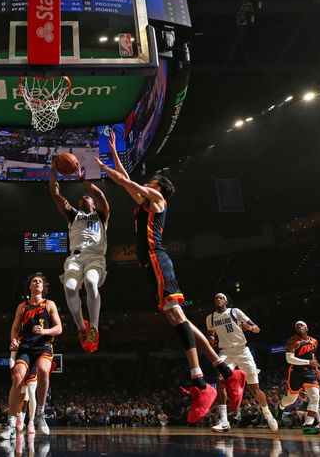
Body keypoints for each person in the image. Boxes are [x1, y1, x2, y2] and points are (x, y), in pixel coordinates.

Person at [95, 133, 245, 424]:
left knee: (177, 318)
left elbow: (125, 181)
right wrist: (112, 151)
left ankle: (202, 384)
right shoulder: (144, 202)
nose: (146, 182)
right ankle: (227, 373)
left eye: (150, 180)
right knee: (180, 320)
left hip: (156, 259)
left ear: (158, 186)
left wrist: (103, 165)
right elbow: (126, 179)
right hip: (149, 265)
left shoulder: (159, 199)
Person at [48, 157, 110, 353]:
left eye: (87, 197)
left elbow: (99, 194)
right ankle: (82, 329)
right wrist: (53, 171)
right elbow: (55, 194)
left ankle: (94, 329)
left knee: (91, 283)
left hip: (95, 256)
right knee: (70, 287)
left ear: (93, 204)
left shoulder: (101, 215)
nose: (84, 197)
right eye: (81, 197)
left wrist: (83, 180)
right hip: (74, 257)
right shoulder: (74, 215)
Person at [0, 272, 63, 439]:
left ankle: (40, 415)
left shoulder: (49, 304)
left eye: (40, 281)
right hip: (25, 346)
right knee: (18, 378)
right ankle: (11, 423)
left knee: (43, 370)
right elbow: (14, 329)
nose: (37, 283)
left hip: (43, 346)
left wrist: (45, 331)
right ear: (30, 286)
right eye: (34, 281)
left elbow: (59, 328)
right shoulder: (22, 306)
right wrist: (13, 340)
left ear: (43, 287)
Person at [206, 293, 278, 432]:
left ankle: (268, 414)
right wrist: (210, 339)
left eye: (221, 297)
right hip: (225, 352)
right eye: (216, 298)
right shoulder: (211, 317)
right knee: (220, 382)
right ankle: (224, 421)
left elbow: (257, 329)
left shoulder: (235, 311)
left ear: (226, 301)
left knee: (254, 389)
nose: (218, 299)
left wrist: (249, 328)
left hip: (242, 351)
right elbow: (210, 334)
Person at [279, 321, 320, 434]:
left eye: (302, 324)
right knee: (291, 400)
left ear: (307, 328)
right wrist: (308, 361)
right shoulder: (292, 341)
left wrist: (317, 369)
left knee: (315, 397)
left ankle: (308, 425)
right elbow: (289, 359)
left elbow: (312, 356)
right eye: (297, 325)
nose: (299, 326)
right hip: (296, 372)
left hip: (309, 372)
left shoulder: (314, 341)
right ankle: (281, 406)